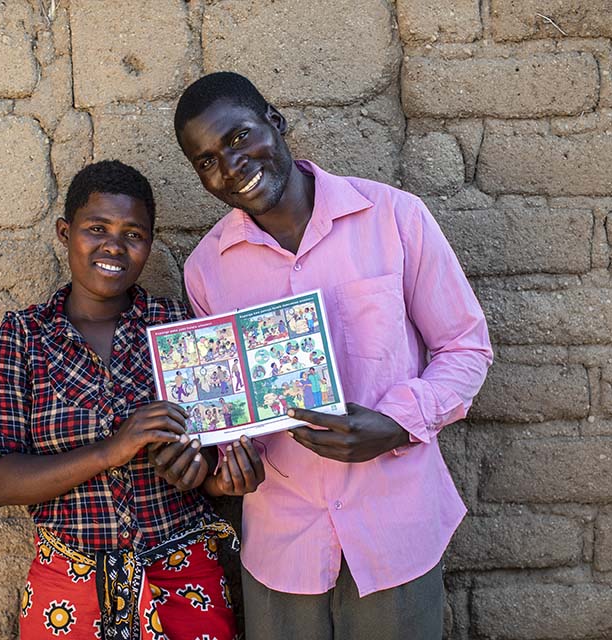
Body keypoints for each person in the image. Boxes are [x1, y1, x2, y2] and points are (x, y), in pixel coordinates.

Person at [159, 72, 493, 639]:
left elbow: (466, 348)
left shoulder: (394, 218)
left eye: (238, 138)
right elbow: (227, 408)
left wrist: (395, 423)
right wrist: (220, 464)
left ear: (275, 120)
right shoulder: (207, 269)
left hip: (396, 532)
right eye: (207, 161)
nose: (231, 166)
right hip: (282, 550)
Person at [0, 160, 264, 640]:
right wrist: (114, 448)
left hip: (184, 580)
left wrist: (213, 477)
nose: (114, 245)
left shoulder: (179, 328)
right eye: (96, 228)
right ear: (65, 233)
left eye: (134, 234)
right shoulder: (24, 336)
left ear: (149, 245)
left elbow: (213, 456)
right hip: (69, 590)